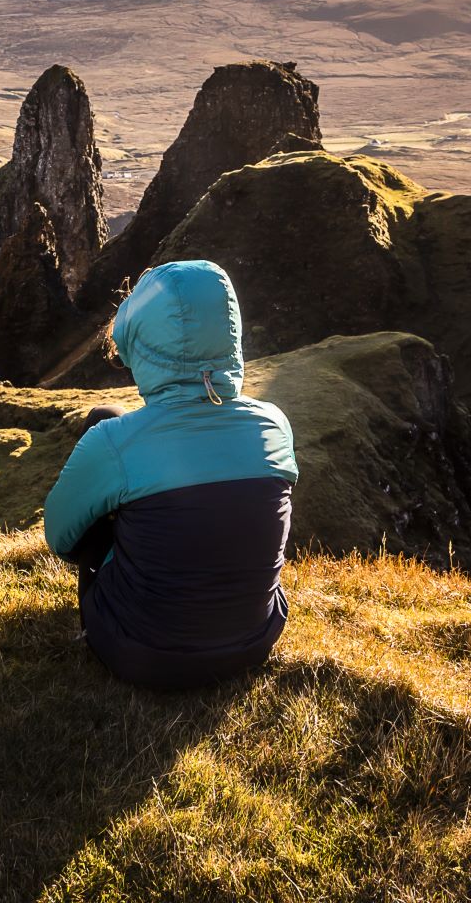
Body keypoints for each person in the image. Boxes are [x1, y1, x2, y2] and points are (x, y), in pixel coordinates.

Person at [43, 259, 298, 689]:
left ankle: (135, 602)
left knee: (106, 430)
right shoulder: (274, 423)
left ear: (141, 343)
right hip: (256, 642)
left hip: (141, 655)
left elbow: (60, 536)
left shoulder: (113, 442)